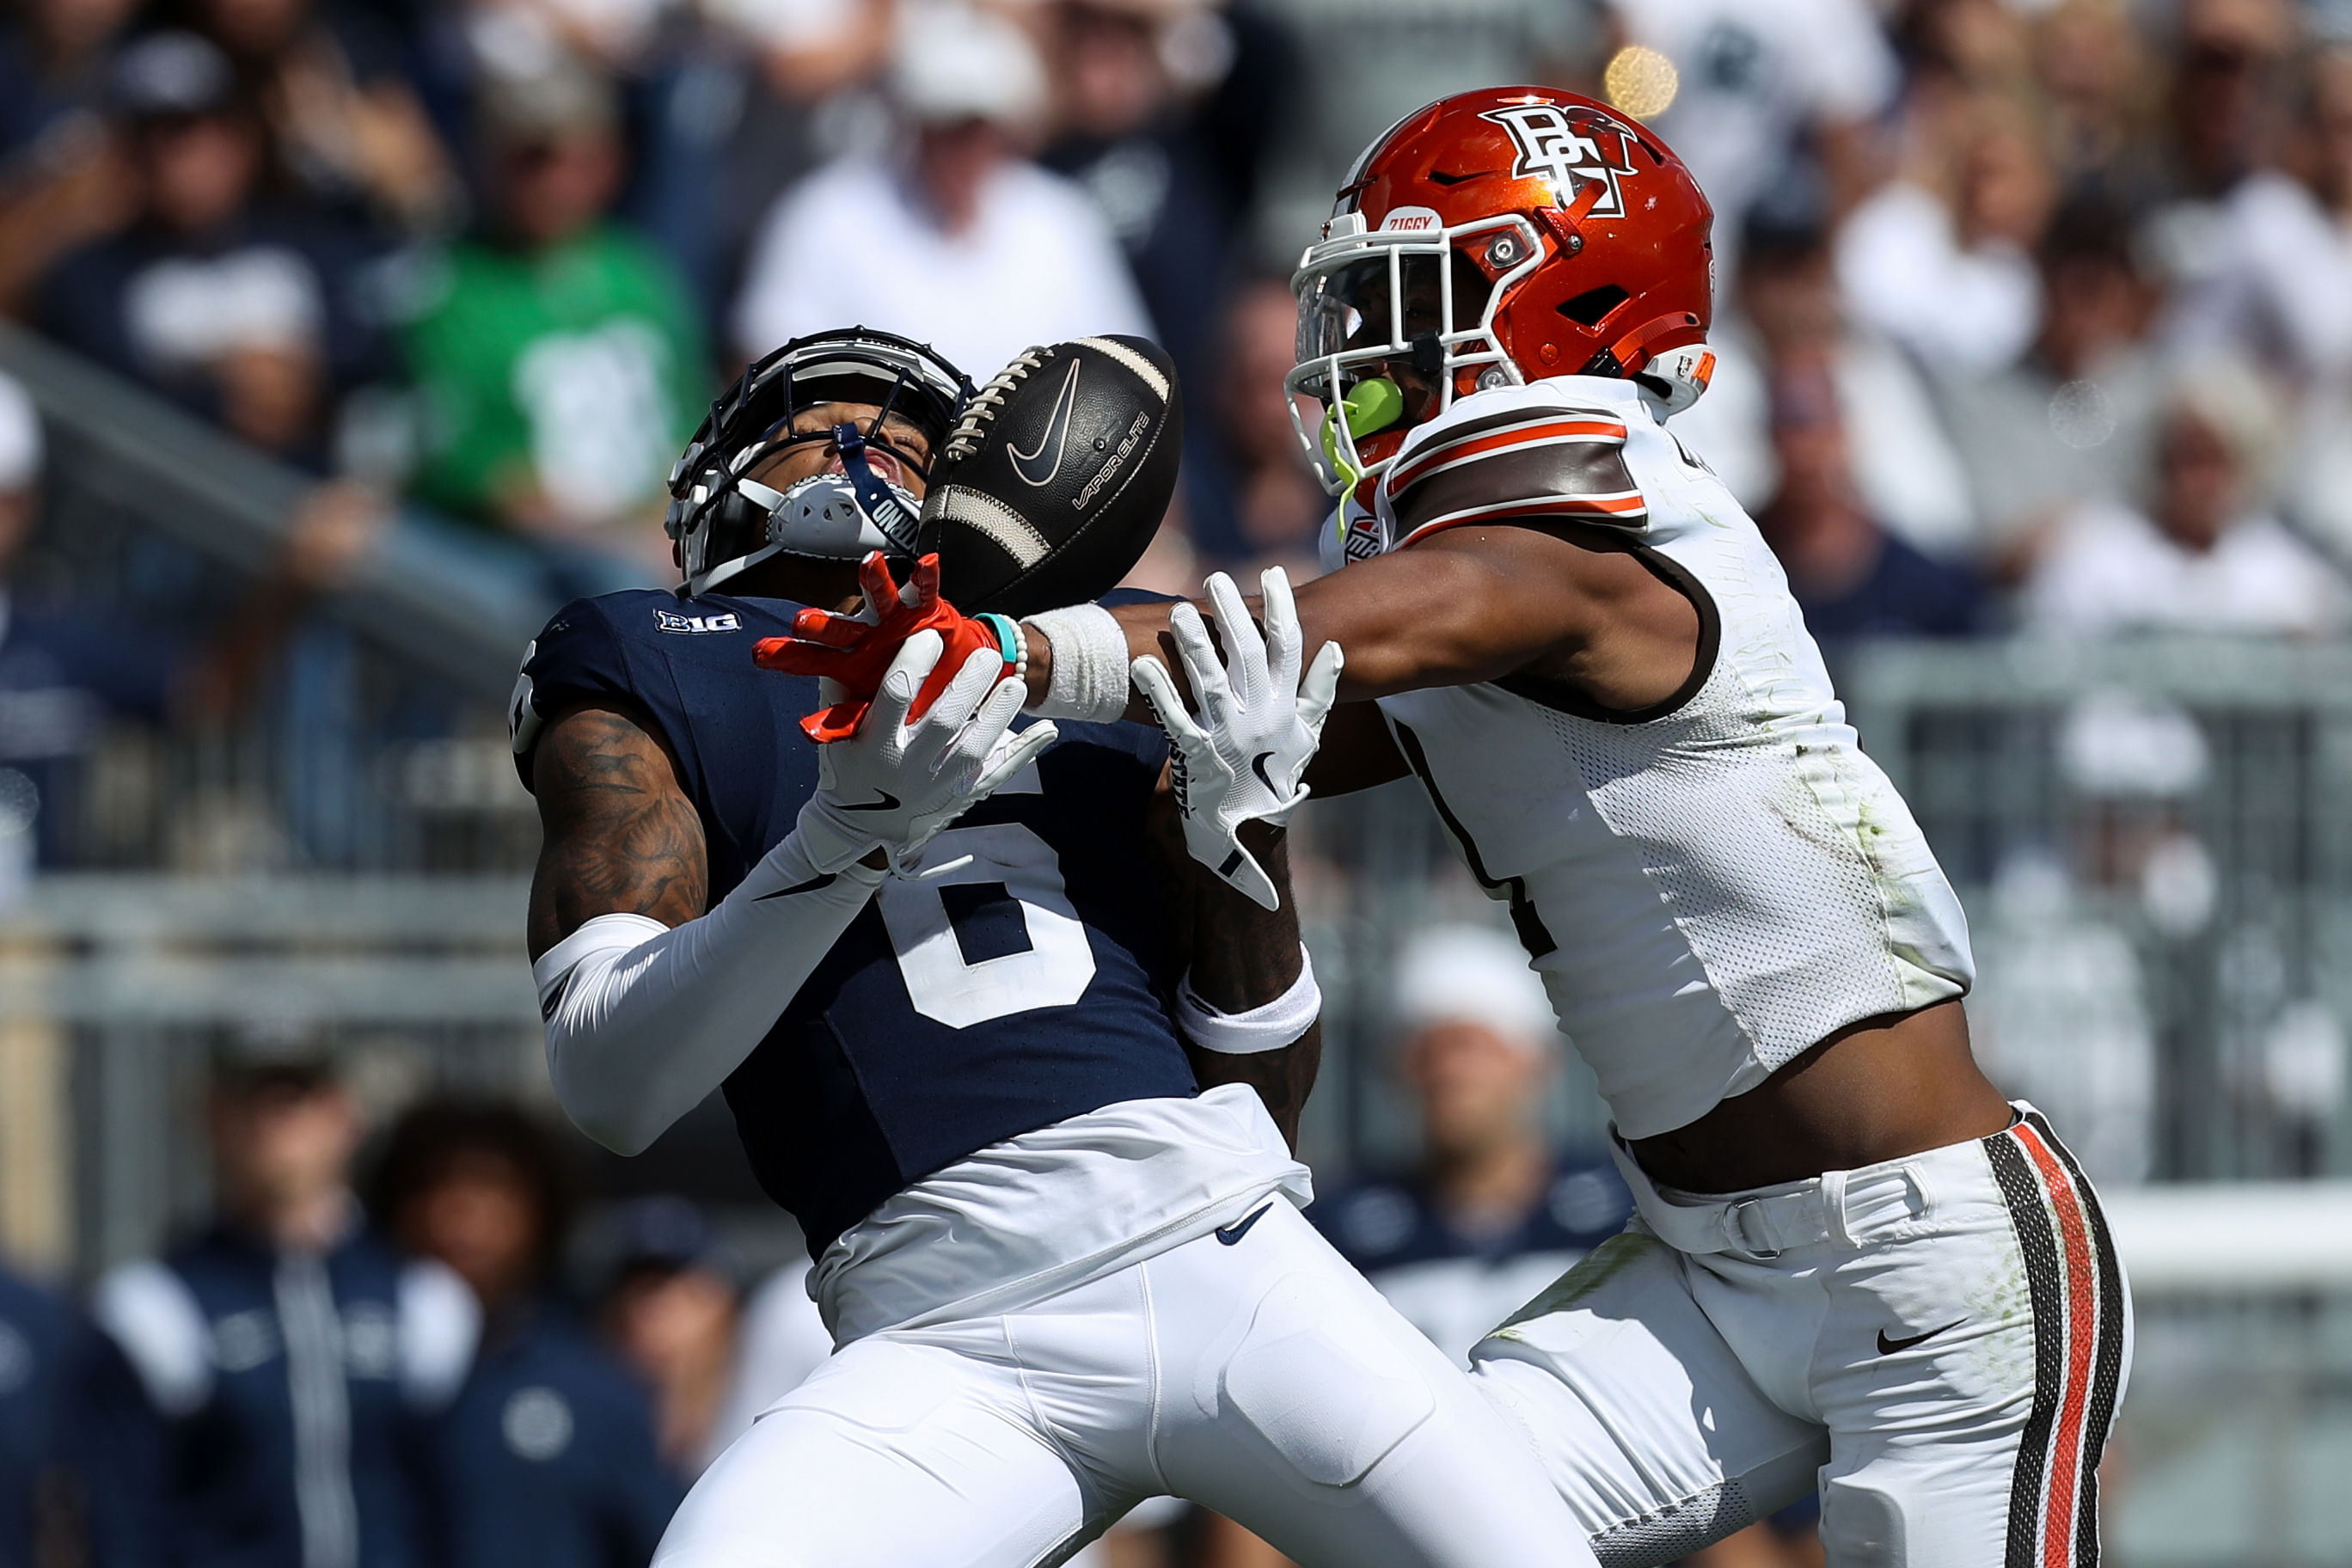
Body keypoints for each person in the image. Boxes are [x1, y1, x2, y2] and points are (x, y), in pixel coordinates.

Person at [766, 89, 2132, 1566]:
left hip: (1931, 1265)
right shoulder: (1466, 584)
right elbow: (1242, 718)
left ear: (1567, 304)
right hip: (1703, 1264)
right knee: (1397, 1534)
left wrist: (1022, 643)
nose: (1366, 346)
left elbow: (1289, 633)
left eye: (1418, 297)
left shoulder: (1605, 536)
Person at [511, 326, 1598, 1566]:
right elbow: (611, 1083)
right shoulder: (650, 649)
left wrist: (1243, 827)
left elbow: (1264, 1114)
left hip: (1218, 1248)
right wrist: (844, 841)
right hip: (930, 1328)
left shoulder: (1096, 646)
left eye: (912, 444)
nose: (868, 453)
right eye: (825, 425)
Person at [89, 1048, 477, 1568]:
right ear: (212, 1119)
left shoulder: (424, 1301)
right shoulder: (153, 1308)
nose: (275, 1125)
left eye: (296, 1099)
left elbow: (461, 1504)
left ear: (345, 1115)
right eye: (253, 1100)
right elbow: (124, 1519)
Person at [394, 55, 705, 589]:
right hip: (517, 561)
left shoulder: (639, 275)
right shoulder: (452, 292)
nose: (557, 179)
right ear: (489, 160)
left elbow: (691, 434)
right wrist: (624, 543)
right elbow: (488, 480)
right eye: (534, 158)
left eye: (578, 156)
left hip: (651, 541)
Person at [728, 6, 1150, 373]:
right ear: (915, 125)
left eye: (979, 129)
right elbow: (767, 372)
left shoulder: (1060, 223)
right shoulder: (827, 216)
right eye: (945, 127)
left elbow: (1124, 378)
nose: (963, 149)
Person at [38, 30, 386, 462]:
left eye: (193, 128)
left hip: (314, 499)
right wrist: (220, 384)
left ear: (241, 139)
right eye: (150, 135)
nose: (175, 156)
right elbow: (106, 396)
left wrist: (302, 377)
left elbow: (373, 348)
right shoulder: (92, 272)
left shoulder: (305, 236)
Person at [373, 1099, 682, 1568]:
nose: (458, 1213)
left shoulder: (596, 1393)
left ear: (542, 1211)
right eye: (432, 1185)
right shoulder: (344, 1382)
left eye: (490, 1184)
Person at [1311, 924, 1630, 1368]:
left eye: (1473, 1047)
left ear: (1534, 1059)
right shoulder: (1337, 1231)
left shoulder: (1626, 1213)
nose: (1451, 1073)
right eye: (1428, 1050)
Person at [2022, 358, 2348, 637]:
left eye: (2217, 461)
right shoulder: (2097, 550)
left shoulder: (2282, 571)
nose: (2201, 482)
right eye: (2189, 459)